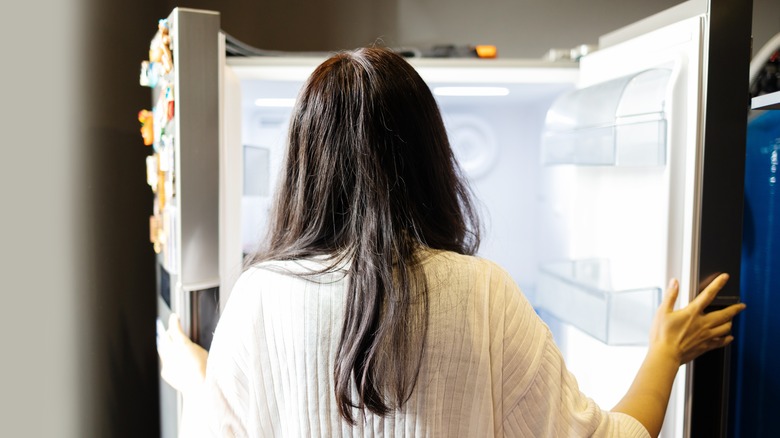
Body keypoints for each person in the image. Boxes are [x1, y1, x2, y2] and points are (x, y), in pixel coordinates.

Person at [158, 47, 745, 437]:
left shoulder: (259, 295)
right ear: (430, 160)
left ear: (305, 169)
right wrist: (665, 353)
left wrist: (203, 384)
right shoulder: (482, 291)